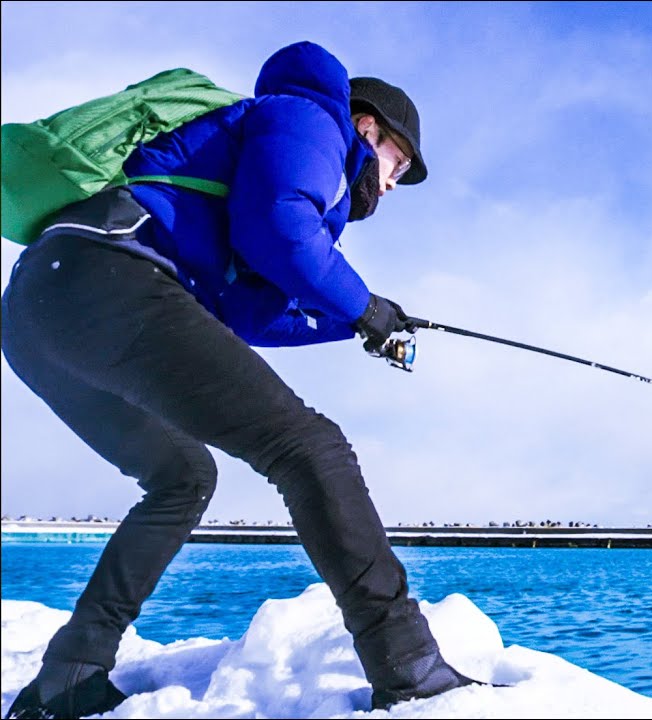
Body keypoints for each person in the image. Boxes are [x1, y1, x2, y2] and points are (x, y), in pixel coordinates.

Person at [2, 41, 481, 719]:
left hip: (39, 311)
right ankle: (409, 668)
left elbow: (247, 313)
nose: (394, 183)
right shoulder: (313, 117)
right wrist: (361, 303)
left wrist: (357, 320)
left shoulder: (277, 147)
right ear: (367, 127)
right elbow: (278, 228)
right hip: (111, 276)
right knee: (310, 448)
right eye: (398, 163)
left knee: (182, 478)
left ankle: (70, 671)